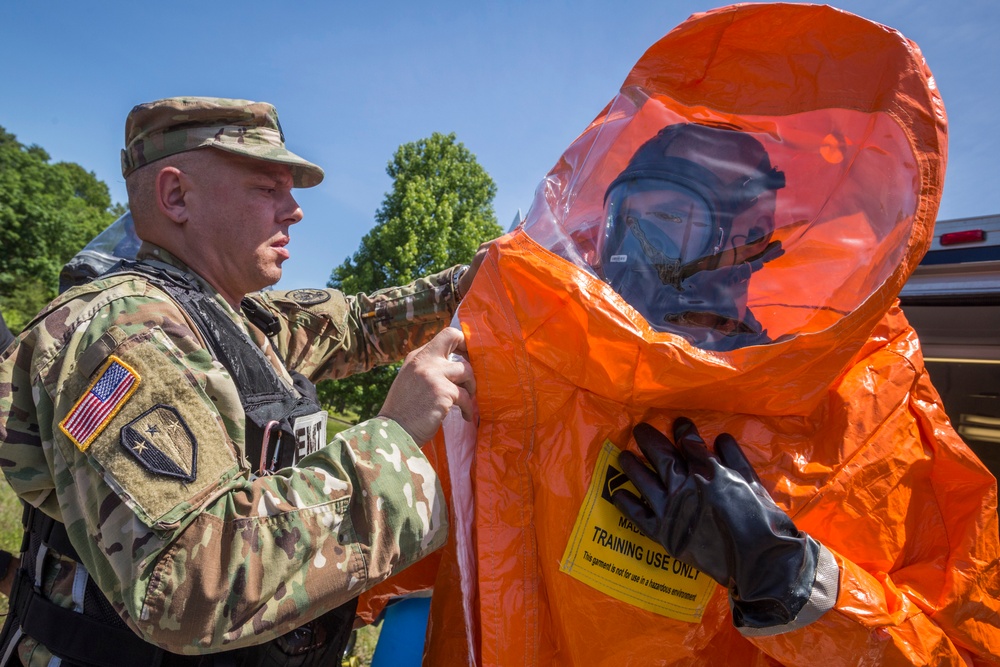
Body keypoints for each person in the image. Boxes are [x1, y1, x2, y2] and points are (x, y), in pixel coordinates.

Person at [418, 5, 1000, 665]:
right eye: (630, 217)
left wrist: (790, 579)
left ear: (746, 241)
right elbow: (396, 561)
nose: (638, 249)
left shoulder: (852, 409)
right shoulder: (526, 353)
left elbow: (965, 649)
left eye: (672, 219)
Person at [0, 96, 484, 666]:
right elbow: (189, 585)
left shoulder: (231, 316)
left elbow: (360, 323)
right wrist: (396, 435)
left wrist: (479, 282)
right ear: (176, 196)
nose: (294, 211)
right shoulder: (122, 334)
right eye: (267, 188)